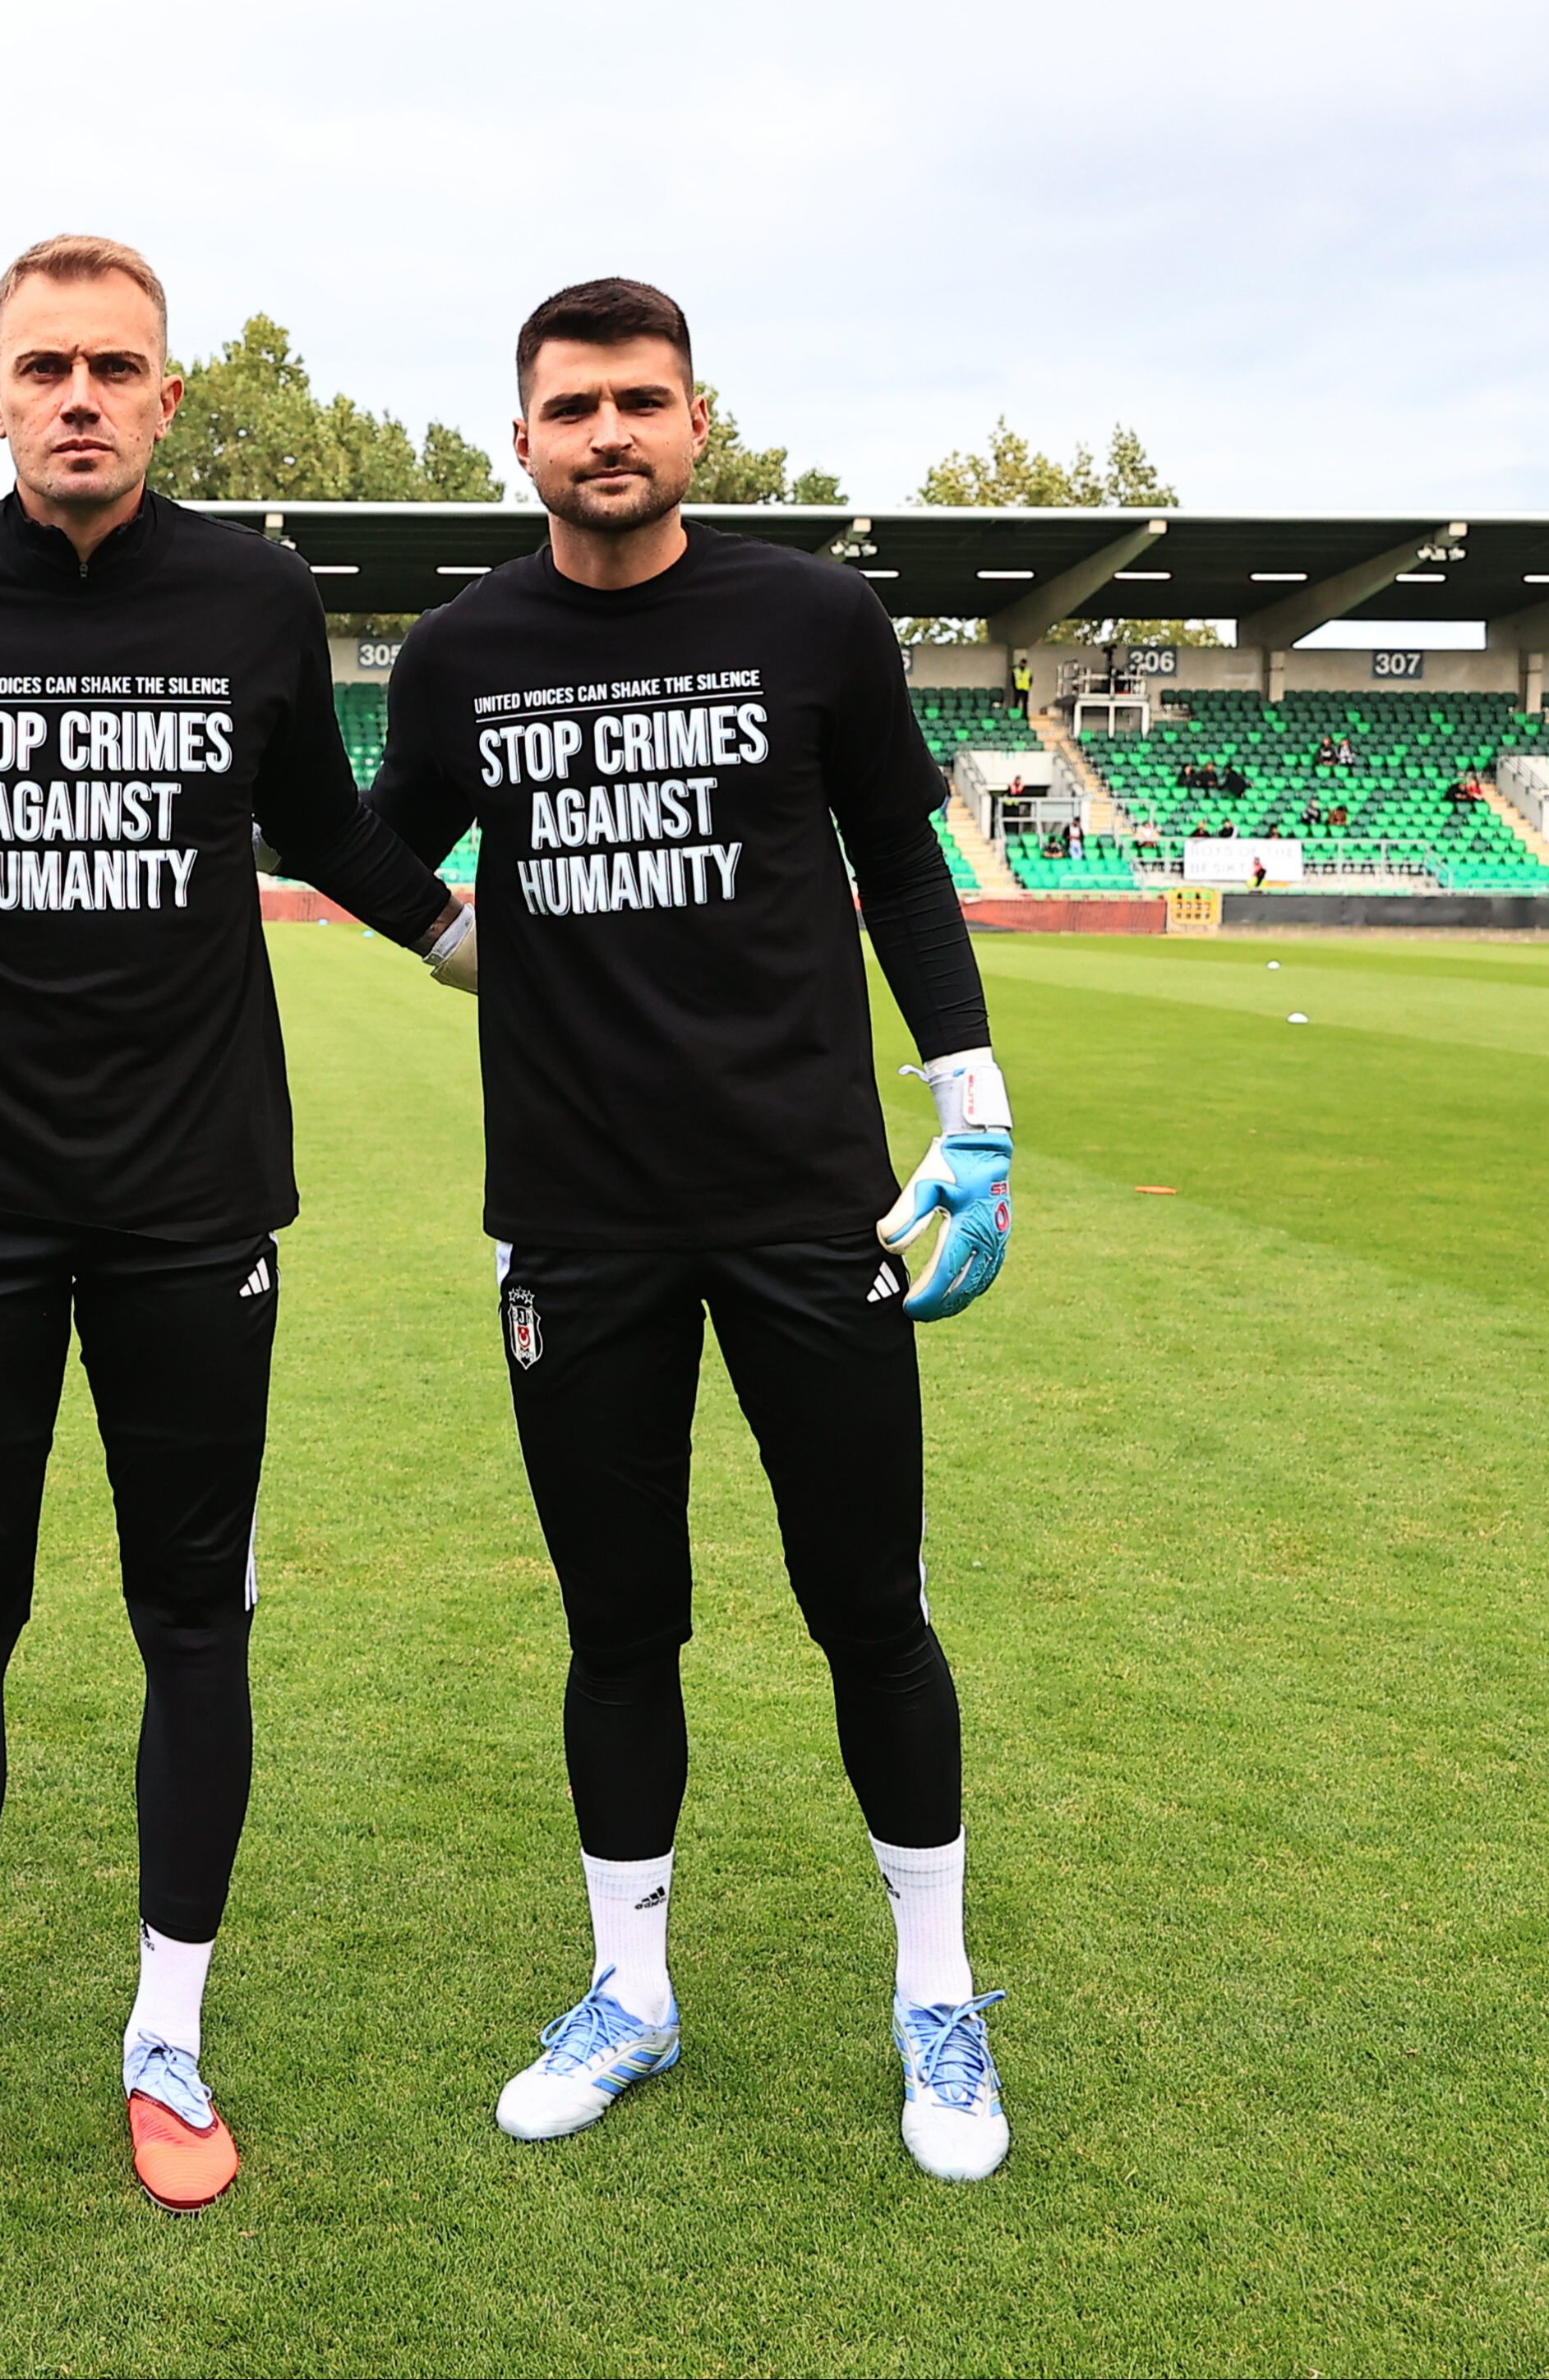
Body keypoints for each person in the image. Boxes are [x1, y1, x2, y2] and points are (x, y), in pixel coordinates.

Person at [0, 232, 468, 2215]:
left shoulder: (254, 597)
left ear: (168, 399)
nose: (77, 397)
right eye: (43, 367)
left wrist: (516, 967)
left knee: (192, 1618)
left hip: (193, 1201)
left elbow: (334, 836)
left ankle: (166, 2036)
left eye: (112, 368)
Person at [364, 277, 1016, 2183]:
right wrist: (461, 949)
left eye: (637, 401)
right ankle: (627, 1992)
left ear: (694, 421)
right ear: (520, 440)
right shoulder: (461, 653)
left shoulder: (811, 619)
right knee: (616, 1620)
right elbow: (368, 844)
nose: (607, 433)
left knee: (866, 1607)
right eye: (571, 407)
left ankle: (935, 1998)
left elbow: (898, 859)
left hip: (809, 1202)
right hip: (574, 1225)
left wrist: (969, 1100)